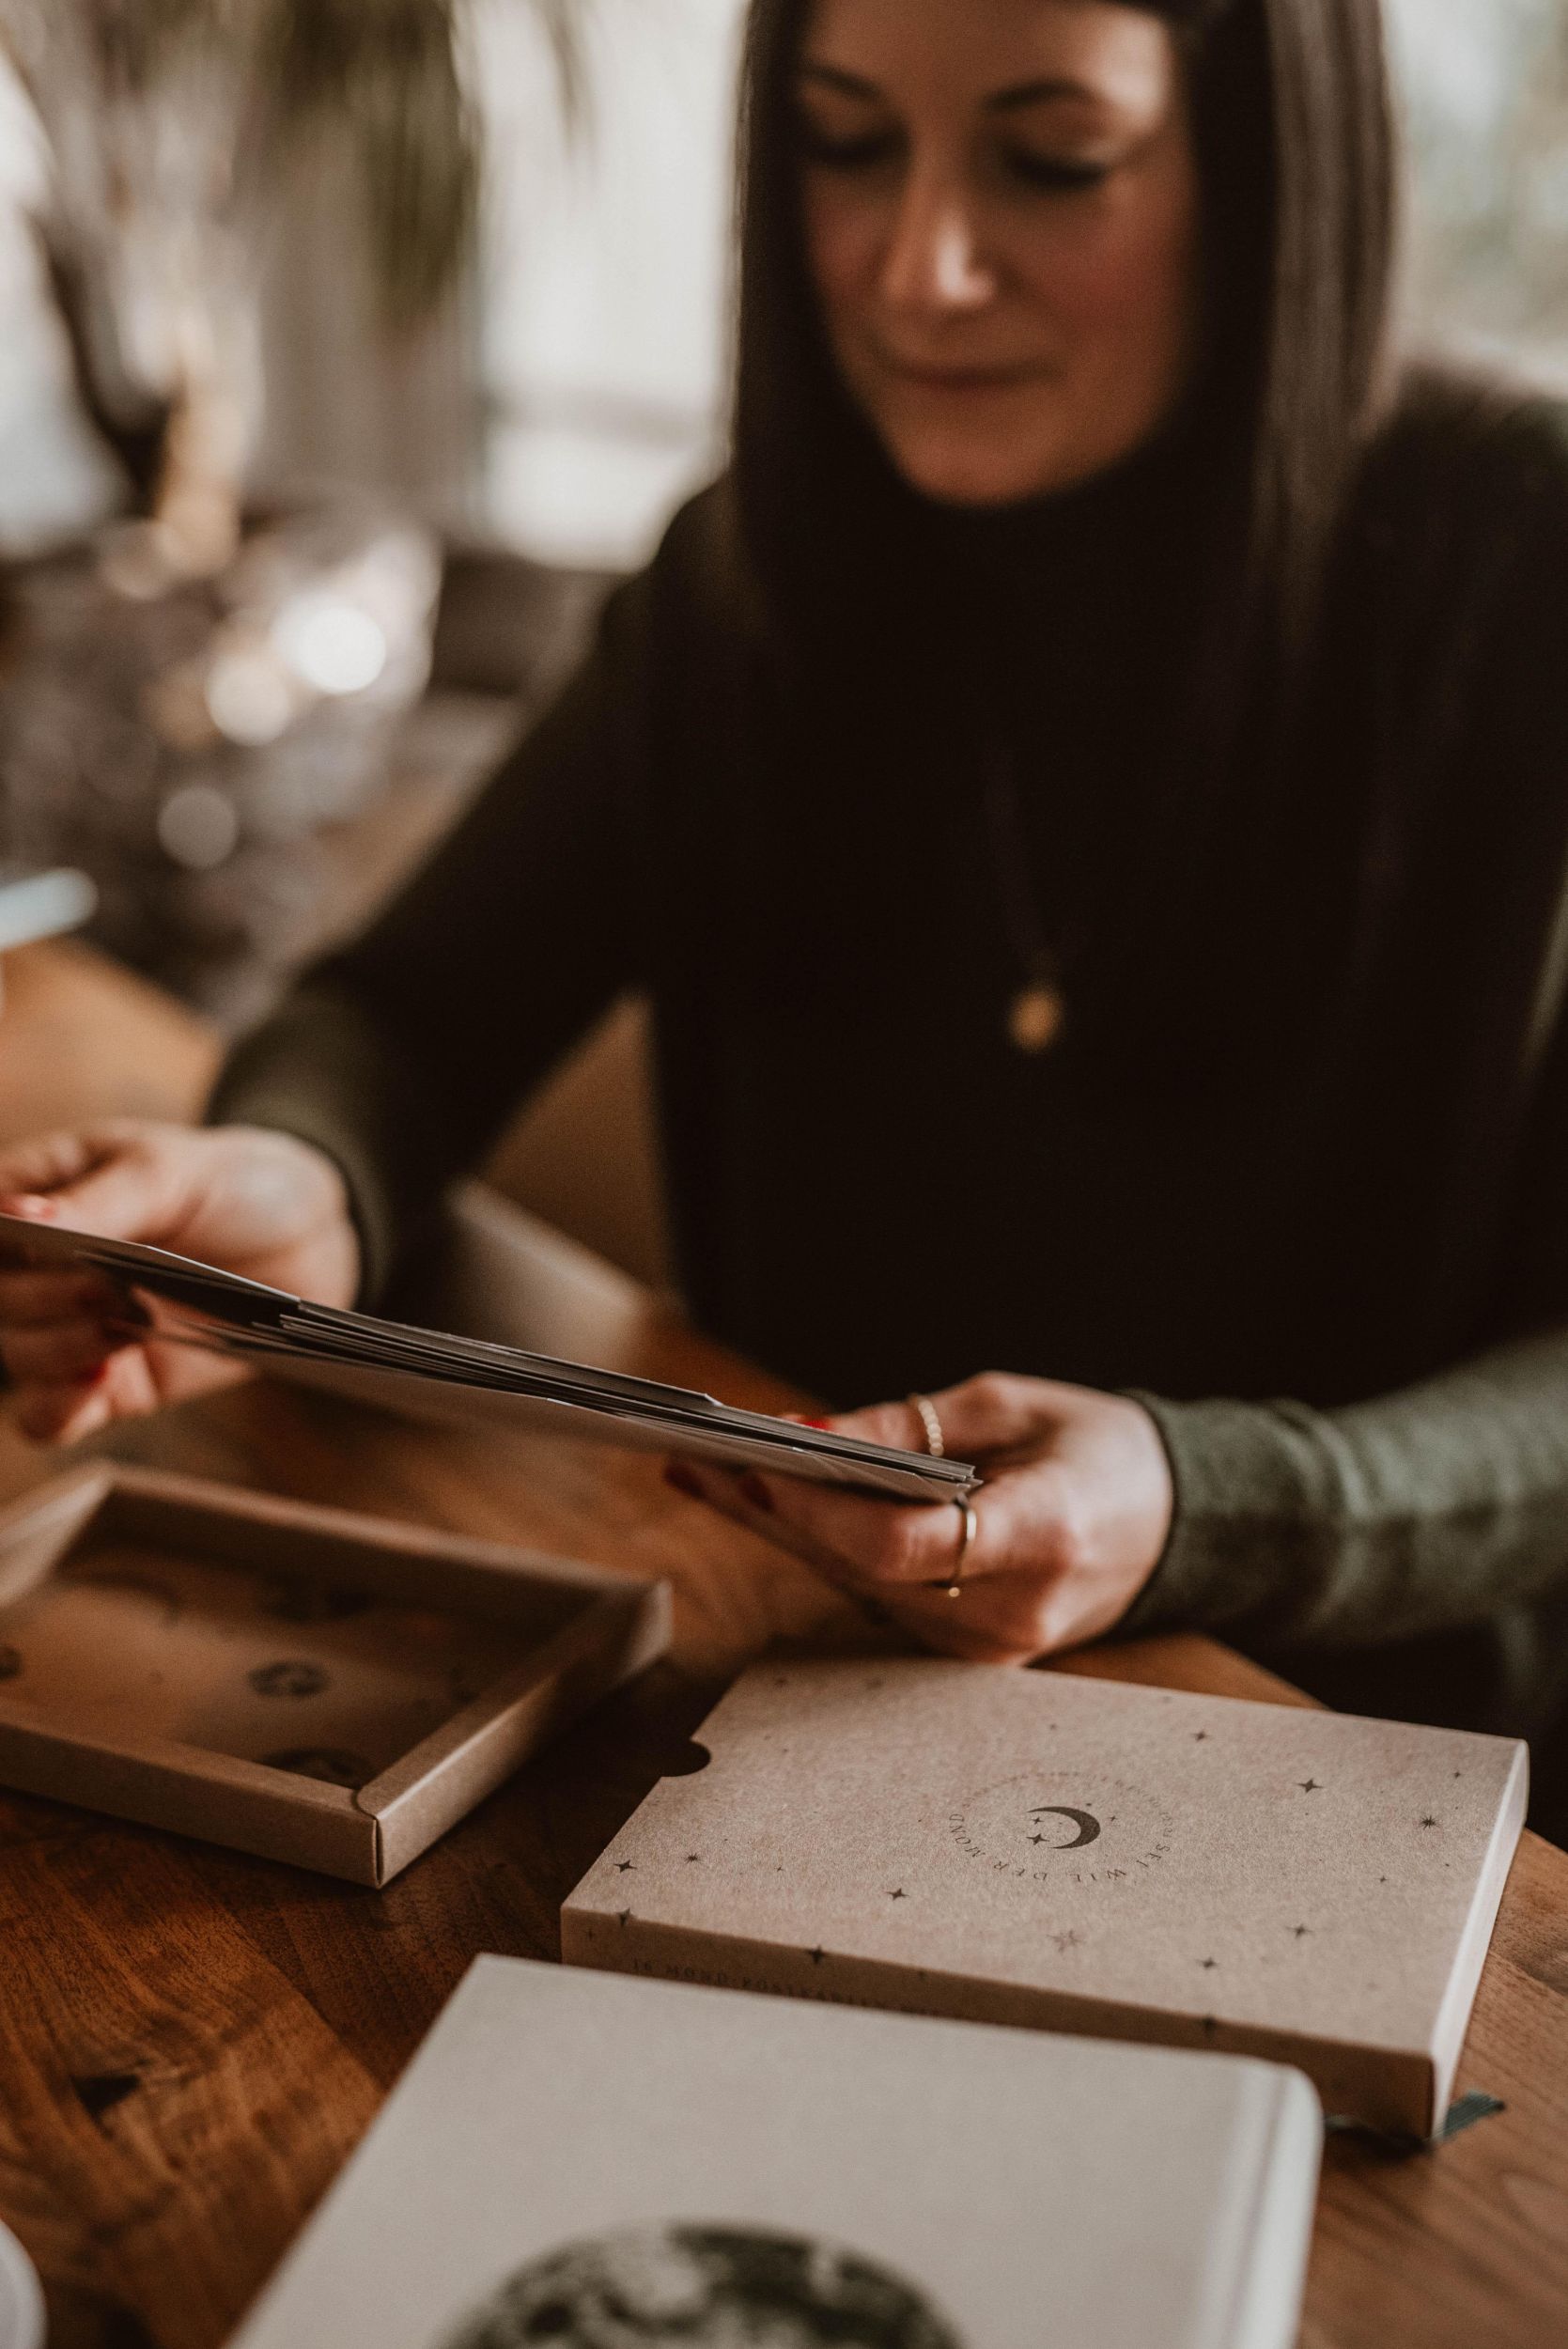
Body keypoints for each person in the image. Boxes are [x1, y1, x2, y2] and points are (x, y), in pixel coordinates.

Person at [4, 0, 1568, 1836]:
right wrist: (296, 1172)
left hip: (1383, 1773)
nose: (919, 267)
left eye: (1051, 159)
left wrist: (1205, 1491)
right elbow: (405, 1011)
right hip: (778, 1707)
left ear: (1273, 169)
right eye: (841, 142)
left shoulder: (1518, 564)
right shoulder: (747, 573)